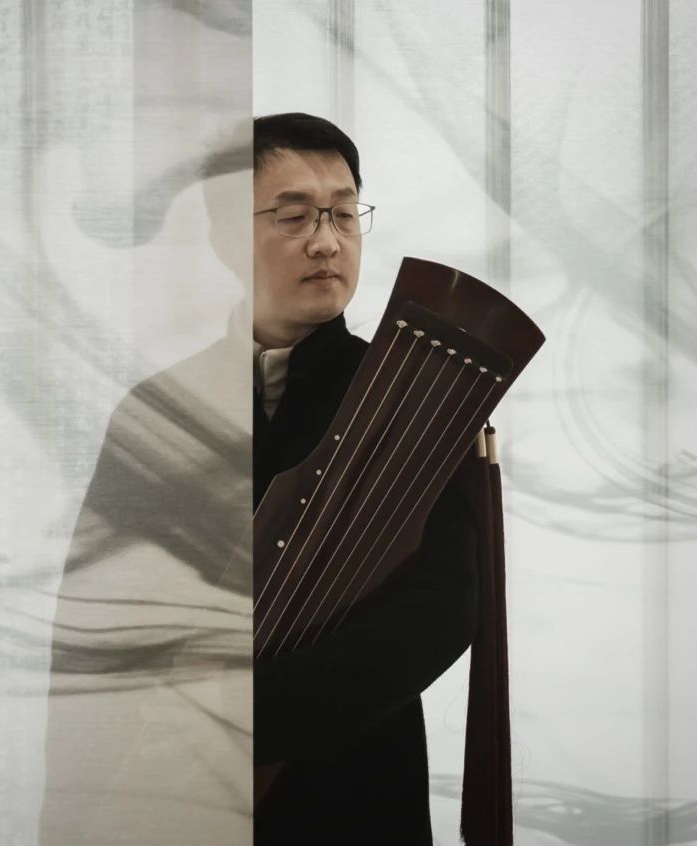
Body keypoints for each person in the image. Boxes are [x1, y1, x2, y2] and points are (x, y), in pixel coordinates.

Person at [246, 112, 479, 844]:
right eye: (293, 216)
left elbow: (444, 604)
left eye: (344, 214)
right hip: (167, 787)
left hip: (352, 784)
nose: (326, 241)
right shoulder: (164, 405)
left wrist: (242, 713)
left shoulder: (415, 391)